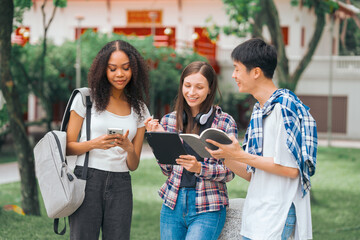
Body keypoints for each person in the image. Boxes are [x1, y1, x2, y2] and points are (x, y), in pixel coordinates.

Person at [206, 38, 317, 240]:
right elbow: (252, 174)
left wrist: (241, 155)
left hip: (278, 214)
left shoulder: (284, 108)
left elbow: (291, 170)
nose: (233, 75)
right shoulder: (260, 110)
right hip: (259, 216)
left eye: (237, 69)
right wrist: (225, 156)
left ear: (256, 72)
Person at [66, 39, 150, 240]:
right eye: (112, 69)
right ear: (103, 70)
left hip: (121, 183)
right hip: (87, 179)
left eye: (126, 68)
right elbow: (67, 147)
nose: (119, 74)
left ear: (134, 70)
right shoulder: (86, 100)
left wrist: (129, 148)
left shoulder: (140, 109)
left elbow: (134, 164)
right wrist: (94, 144)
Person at [145, 61, 238, 240]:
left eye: (199, 87)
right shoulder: (169, 121)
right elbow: (167, 171)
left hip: (208, 206)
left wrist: (199, 168)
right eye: (187, 86)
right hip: (172, 203)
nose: (191, 92)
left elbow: (230, 173)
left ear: (210, 89)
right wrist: (158, 139)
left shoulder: (225, 122)